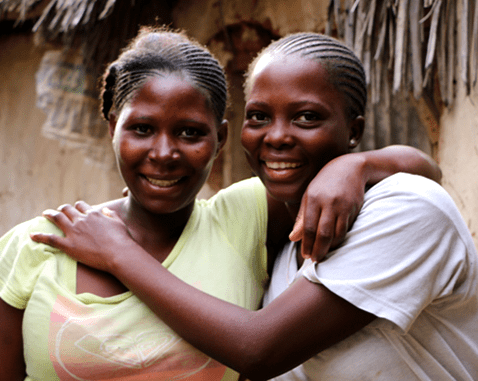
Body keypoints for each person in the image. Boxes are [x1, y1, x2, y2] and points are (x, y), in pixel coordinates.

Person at [2, 28, 441, 380]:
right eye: (141, 129)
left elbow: (423, 172)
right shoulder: (36, 245)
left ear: (222, 139)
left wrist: (357, 166)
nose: (164, 152)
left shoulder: (244, 216)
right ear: (113, 127)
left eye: (191, 132)